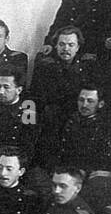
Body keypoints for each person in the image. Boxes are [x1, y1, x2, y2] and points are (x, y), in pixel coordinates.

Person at [30, 26, 98, 167]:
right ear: (55, 45)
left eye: (71, 45)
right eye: (61, 44)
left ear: (78, 47)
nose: (66, 49)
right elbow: (32, 98)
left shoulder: (87, 67)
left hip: (76, 123)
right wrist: (27, 123)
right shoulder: (45, 66)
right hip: (49, 123)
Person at [0, 73, 38, 163]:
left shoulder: (28, 113)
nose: (1, 91)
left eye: (6, 87)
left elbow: (27, 148)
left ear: (19, 90)